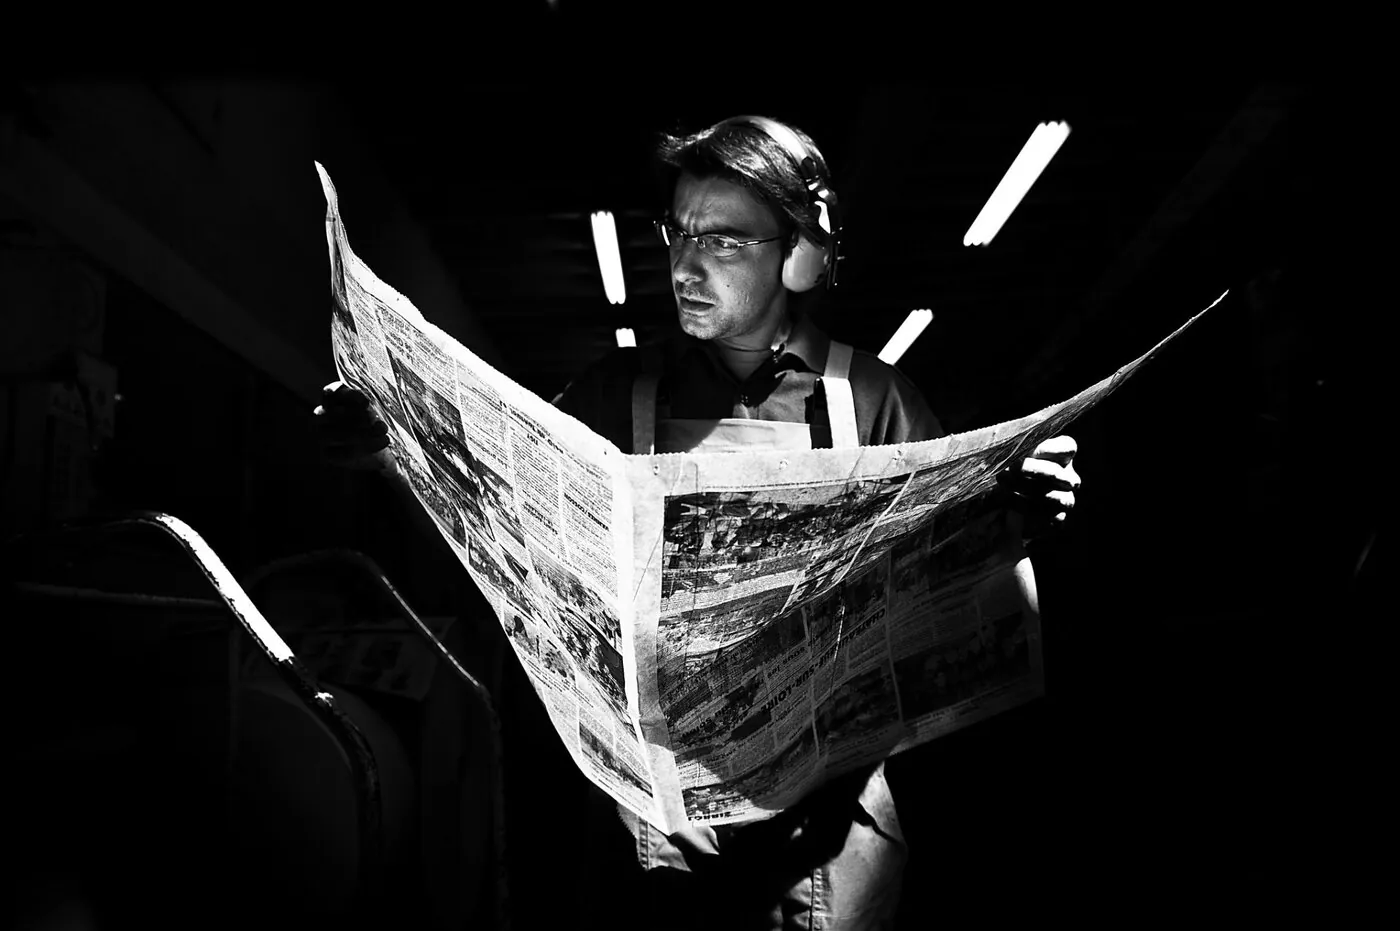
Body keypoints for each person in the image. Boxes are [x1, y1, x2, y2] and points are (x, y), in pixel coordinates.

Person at [315, 114, 1080, 930]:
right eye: (678, 235)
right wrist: (395, 458)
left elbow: (948, 589)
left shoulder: (876, 401)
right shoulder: (619, 396)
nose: (684, 266)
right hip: (659, 833)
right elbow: (508, 556)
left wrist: (1016, 518)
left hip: (832, 839)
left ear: (799, 253)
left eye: (722, 242)